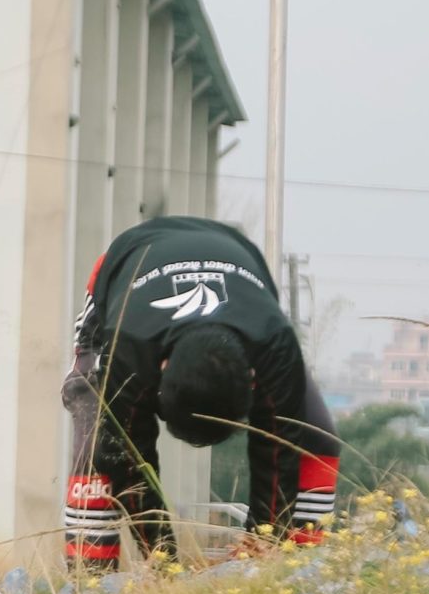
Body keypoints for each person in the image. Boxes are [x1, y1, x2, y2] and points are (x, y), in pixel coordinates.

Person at [63, 215, 340, 569]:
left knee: (316, 438)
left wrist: (261, 552)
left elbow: (278, 451)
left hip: (238, 265)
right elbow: (131, 464)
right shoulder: (128, 348)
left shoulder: (274, 343)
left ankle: (299, 573)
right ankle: (90, 585)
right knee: (100, 446)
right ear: (161, 372)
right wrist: (163, 563)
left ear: (251, 378)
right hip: (127, 268)